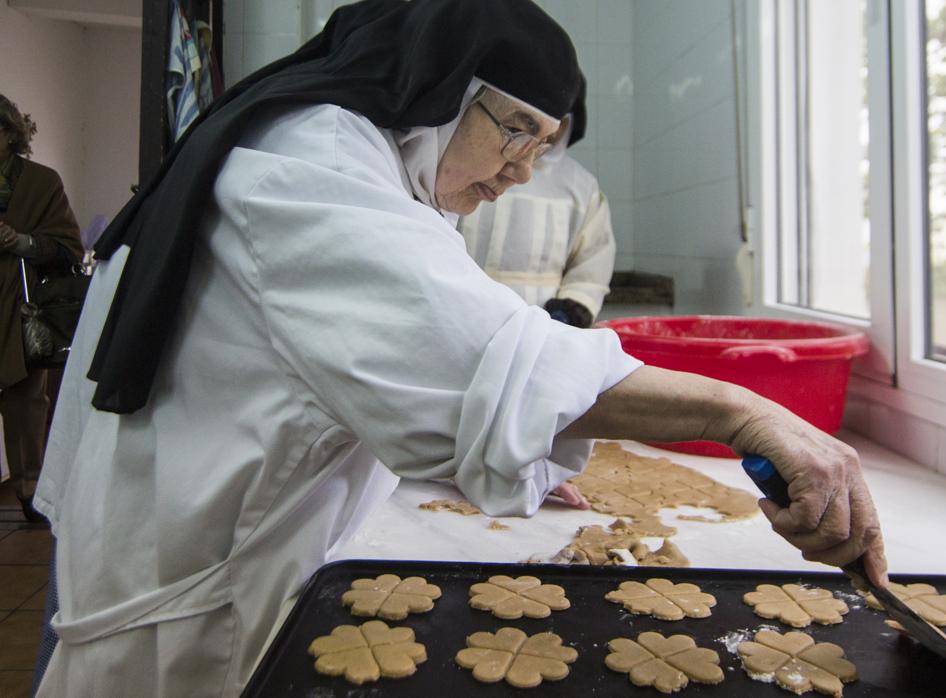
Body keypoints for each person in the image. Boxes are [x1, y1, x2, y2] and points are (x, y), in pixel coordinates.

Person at [33, 1, 886, 695]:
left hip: (203, 560)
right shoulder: (310, 163)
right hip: (184, 622)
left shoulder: (337, 154)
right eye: (517, 129)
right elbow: (480, 355)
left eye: (543, 147)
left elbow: (372, 368)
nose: (522, 170)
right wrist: (742, 410)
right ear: (438, 87)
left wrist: (533, 435)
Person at [457, 85, 615, 328]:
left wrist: (569, 312)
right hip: (464, 317)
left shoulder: (581, 187)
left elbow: (592, 263)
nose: (520, 174)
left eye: (558, 122)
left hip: (544, 330)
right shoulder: (475, 165)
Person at [0, 94, 83, 524]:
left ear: (11, 133)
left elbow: (69, 248)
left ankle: (30, 489)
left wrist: (21, 242)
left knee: (26, 399)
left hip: (21, 305)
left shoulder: (40, 183)